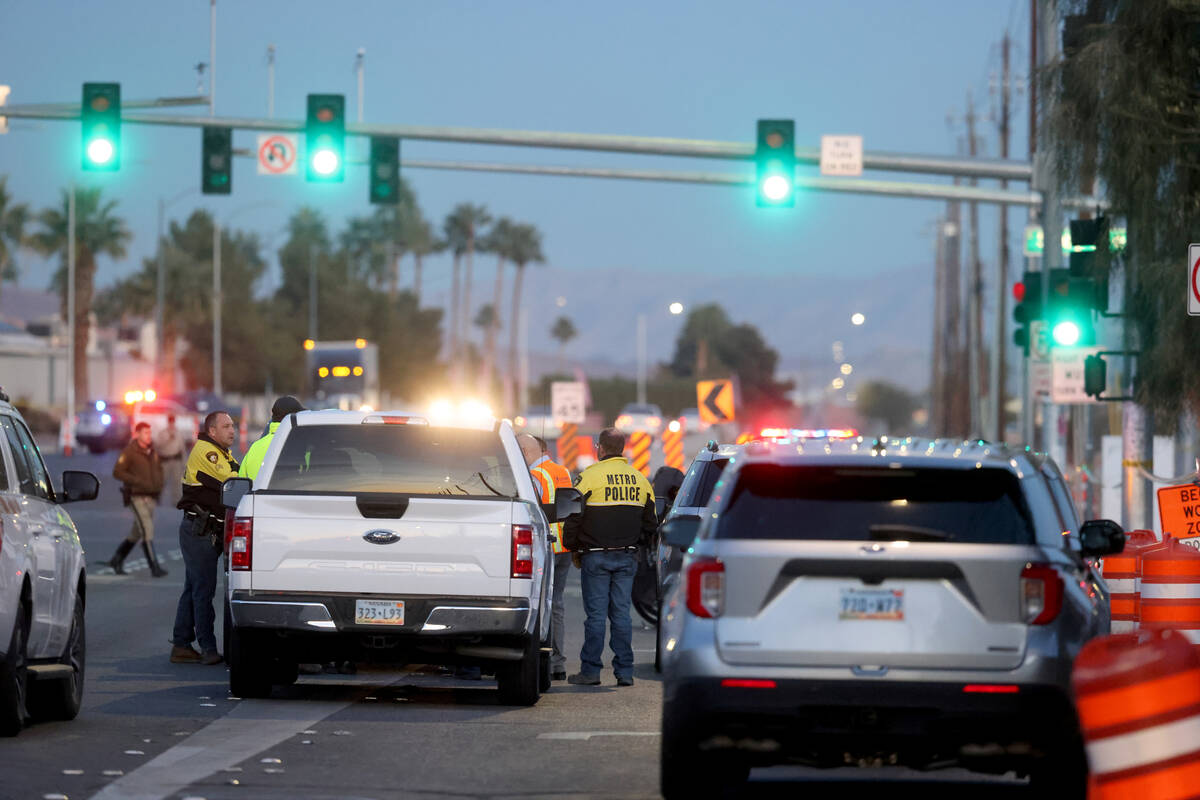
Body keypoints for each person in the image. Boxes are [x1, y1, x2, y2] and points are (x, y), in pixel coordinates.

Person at [562, 427, 657, 687]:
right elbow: (651, 525)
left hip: (595, 557)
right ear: (622, 449)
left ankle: (591, 672)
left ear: (600, 448)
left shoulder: (589, 478)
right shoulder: (640, 480)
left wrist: (572, 547)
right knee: (621, 615)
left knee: (595, 616)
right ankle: (624, 672)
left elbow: (573, 517)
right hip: (627, 558)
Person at [170, 410, 238, 666]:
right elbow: (234, 481)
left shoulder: (221, 452)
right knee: (203, 590)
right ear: (212, 431)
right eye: (226, 426)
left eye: (233, 426)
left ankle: (181, 644)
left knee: (193, 588)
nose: (232, 431)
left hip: (206, 530)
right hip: (200, 530)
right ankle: (208, 647)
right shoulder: (207, 452)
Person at [519, 433, 574, 681]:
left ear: (524, 451)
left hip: (545, 548)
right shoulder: (562, 470)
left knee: (540, 605)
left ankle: (541, 660)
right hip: (563, 546)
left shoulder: (533, 476)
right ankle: (558, 664)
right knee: (557, 605)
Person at [103, 422, 168, 577]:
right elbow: (117, 472)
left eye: (149, 432)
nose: (148, 435)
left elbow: (159, 470)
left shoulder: (152, 451)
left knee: (137, 532)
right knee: (147, 529)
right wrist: (136, 481)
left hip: (151, 497)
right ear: (137, 434)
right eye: (145, 432)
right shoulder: (129, 452)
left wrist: (159, 485)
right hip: (136, 496)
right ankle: (154, 567)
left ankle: (117, 559)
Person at [239, 395, 305, 481]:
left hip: (255, 494)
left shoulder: (255, 447)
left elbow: (240, 481)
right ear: (293, 417)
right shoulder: (300, 446)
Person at [154, 414, 188, 507]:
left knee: (177, 481)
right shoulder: (163, 433)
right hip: (165, 460)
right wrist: (168, 439)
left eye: (173, 422)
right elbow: (158, 446)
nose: (172, 424)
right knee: (163, 480)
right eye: (170, 422)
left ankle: (176, 500)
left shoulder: (178, 433)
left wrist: (184, 463)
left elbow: (182, 449)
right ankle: (158, 497)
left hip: (176, 460)